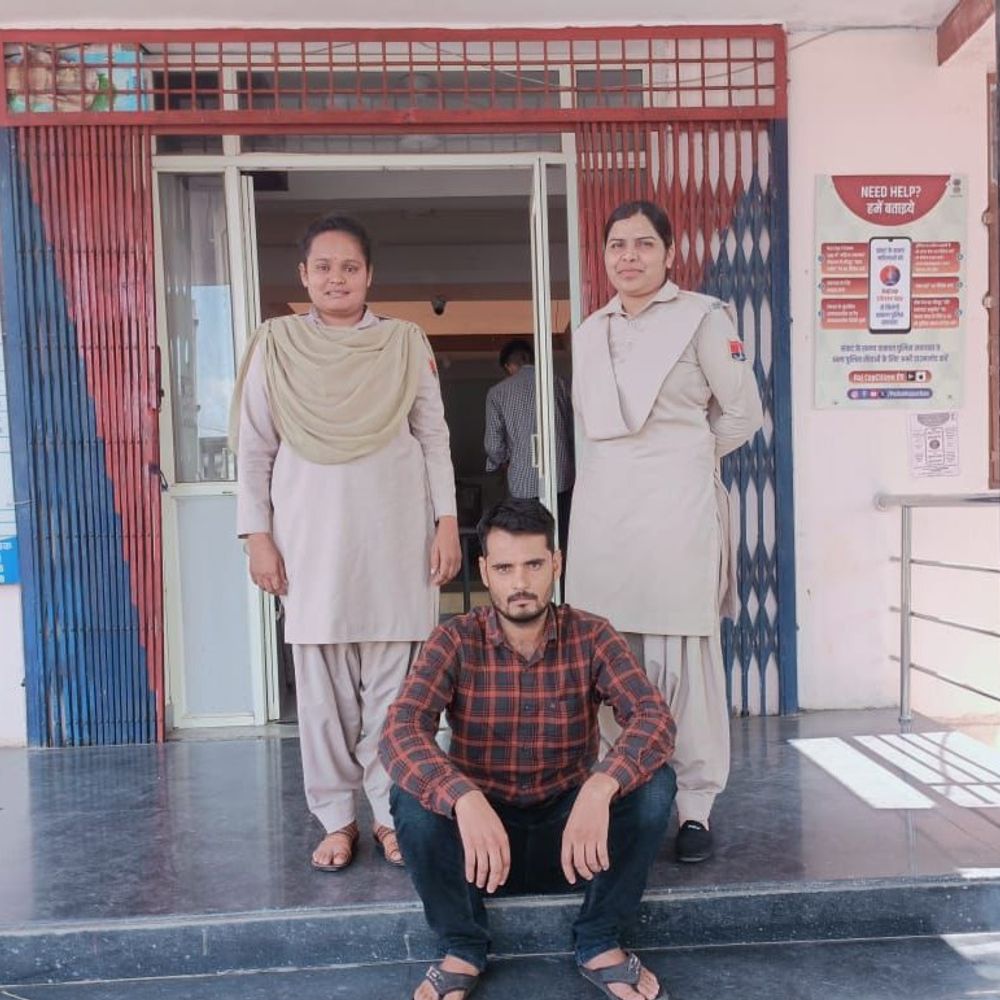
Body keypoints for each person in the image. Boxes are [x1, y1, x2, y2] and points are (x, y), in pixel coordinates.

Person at [231, 214, 460, 873]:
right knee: (323, 699)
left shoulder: (403, 342)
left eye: (350, 267)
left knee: (396, 695)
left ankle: (391, 816)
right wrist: (257, 536)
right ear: (304, 275)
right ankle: (336, 820)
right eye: (325, 267)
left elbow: (433, 436)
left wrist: (446, 522)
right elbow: (255, 448)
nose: (337, 278)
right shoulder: (277, 344)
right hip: (311, 544)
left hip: (395, 538)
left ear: (369, 275)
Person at [380, 498, 676, 1000]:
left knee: (655, 786)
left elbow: (653, 717)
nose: (520, 582)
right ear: (484, 572)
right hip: (479, 846)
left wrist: (601, 787)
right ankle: (461, 947)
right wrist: (462, 798)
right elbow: (400, 728)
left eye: (534, 564)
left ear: (555, 564)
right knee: (410, 796)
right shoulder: (455, 639)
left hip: (570, 840)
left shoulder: (592, 634)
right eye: (505, 568)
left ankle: (600, 940)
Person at [566, 200, 763, 864]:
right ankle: (618, 795)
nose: (629, 256)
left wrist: (690, 457)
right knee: (606, 652)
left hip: (677, 505)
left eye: (644, 244)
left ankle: (694, 808)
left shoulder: (703, 317)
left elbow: (743, 412)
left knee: (683, 655)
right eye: (617, 244)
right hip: (603, 509)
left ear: (669, 253)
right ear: (604, 255)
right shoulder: (589, 330)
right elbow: (588, 425)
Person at [484, 338, 575, 549]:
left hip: (522, 484)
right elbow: (572, 430)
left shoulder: (498, 393)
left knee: (529, 543)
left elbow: (493, 444)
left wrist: (501, 462)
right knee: (562, 540)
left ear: (508, 366)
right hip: (561, 477)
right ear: (532, 359)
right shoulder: (558, 383)